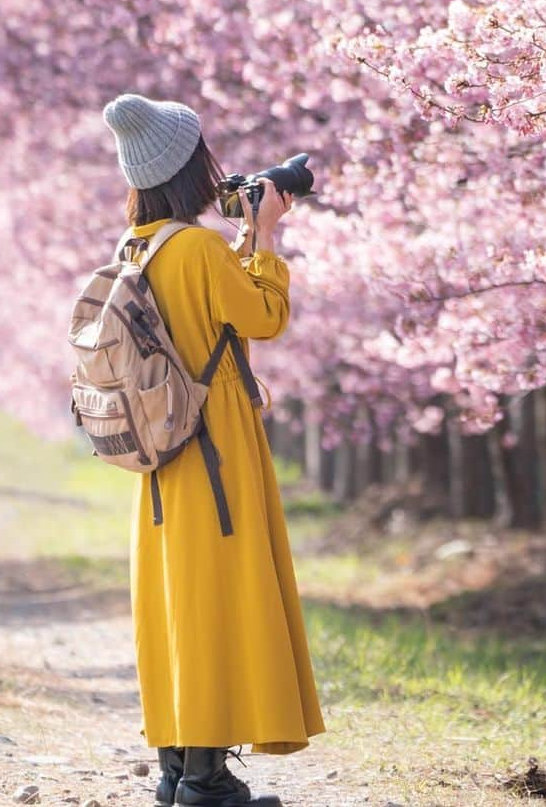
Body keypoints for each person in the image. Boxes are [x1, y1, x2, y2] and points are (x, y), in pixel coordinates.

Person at [101, 93, 326, 807]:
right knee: (221, 597)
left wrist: (242, 240)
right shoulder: (198, 247)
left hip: (163, 449)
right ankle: (206, 781)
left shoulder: (137, 245)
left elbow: (202, 304)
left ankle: (178, 769)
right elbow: (263, 316)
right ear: (189, 167)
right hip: (215, 442)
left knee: (180, 602)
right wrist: (264, 238)